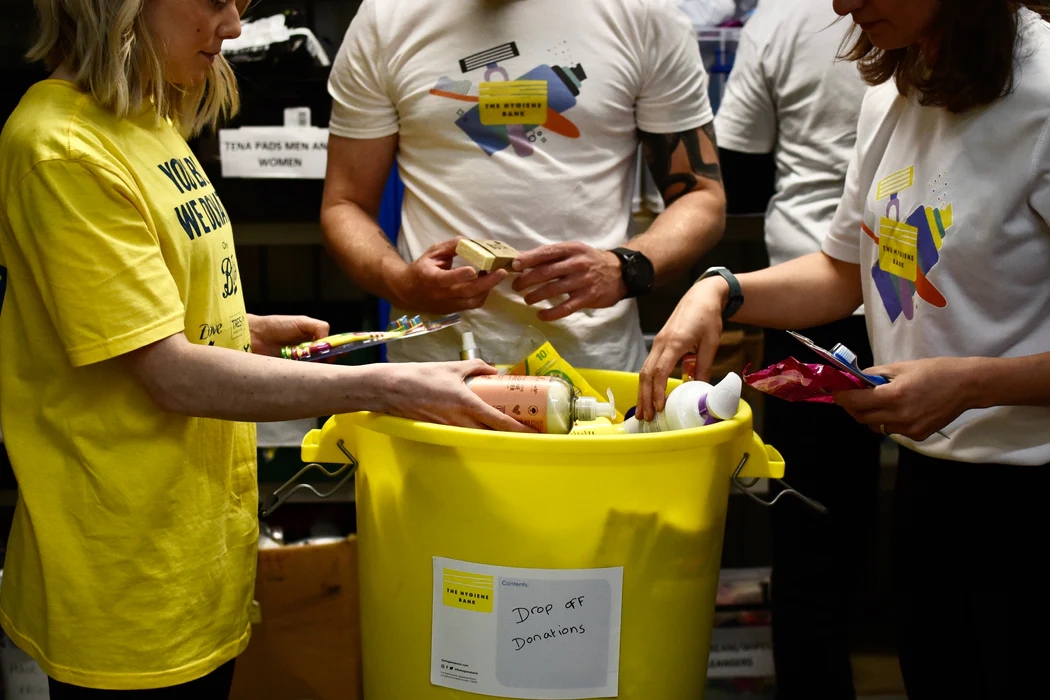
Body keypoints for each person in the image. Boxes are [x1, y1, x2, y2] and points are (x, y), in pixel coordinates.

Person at [0, 1, 526, 697]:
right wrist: (386, 386)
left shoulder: (143, 120)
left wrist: (240, 328)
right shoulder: (60, 147)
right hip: (126, 575)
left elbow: (131, 318)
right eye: (215, 1)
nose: (235, 27)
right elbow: (169, 375)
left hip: (194, 553)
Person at [640, 0, 1050, 696]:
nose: (839, 4)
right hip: (935, 482)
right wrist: (719, 291)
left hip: (1027, 498)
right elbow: (843, 272)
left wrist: (970, 384)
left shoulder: (1041, 93)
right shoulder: (898, 84)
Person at [321, 0, 727, 371]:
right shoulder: (388, 16)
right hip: (434, 369)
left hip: (594, 369)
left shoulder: (642, 12)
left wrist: (624, 268)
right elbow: (345, 204)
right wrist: (400, 283)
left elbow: (701, 197)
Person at [712, 2, 880, 697]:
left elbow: (742, 161)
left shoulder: (780, 19)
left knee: (813, 526)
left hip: (820, 301)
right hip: (817, 293)